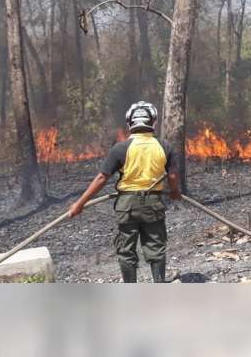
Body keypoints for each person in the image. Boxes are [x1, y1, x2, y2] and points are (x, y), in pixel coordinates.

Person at [68, 101, 181, 283]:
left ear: (130, 123)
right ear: (153, 122)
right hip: (153, 204)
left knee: (126, 250)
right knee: (156, 247)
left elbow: (102, 178)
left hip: (127, 206)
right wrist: (175, 192)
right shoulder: (164, 146)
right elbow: (173, 175)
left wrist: (79, 204)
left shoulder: (120, 148)